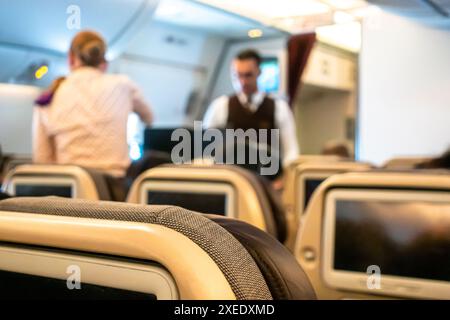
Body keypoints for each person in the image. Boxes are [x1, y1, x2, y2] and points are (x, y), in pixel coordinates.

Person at [33, 30, 153, 178]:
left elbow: (42, 158)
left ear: (70, 58)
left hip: (67, 189)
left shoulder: (49, 96)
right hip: (113, 191)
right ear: (104, 63)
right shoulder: (123, 85)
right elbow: (149, 118)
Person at [203, 49, 299, 178]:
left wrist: (283, 177)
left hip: (267, 179)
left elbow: (291, 151)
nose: (242, 82)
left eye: (248, 75)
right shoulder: (220, 106)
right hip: (231, 179)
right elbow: (206, 150)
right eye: (238, 76)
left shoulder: (279, 107)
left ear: (259, 72)